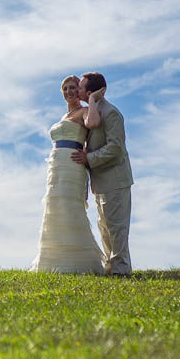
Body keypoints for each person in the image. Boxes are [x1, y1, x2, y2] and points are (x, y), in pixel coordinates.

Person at [31, 75, 105, 274]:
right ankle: (51, 261)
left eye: (73, 88)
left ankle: (79, 262)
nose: (69, 92)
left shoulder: (84, 111)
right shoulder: (63, 117)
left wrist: (91, 100)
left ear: (79, 91)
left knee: (70, 207)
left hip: (73, 165)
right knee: (55, 206)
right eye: (65, 89)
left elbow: (94, 123)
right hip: (56, 167)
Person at [71, 72, 133, 276]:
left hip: (115, 179)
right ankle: (111, 267)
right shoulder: (93, 111)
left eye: (80, 87)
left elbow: (115, 148)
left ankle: (121, 270)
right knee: (105, 227)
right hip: (100, 181)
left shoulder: (111, 113)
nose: (77, 89)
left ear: (90, 91)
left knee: (116, 226)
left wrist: (88, 158)